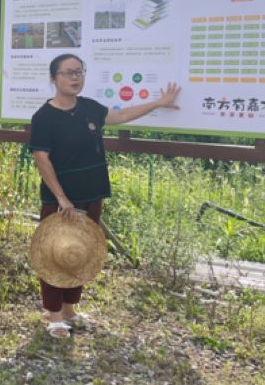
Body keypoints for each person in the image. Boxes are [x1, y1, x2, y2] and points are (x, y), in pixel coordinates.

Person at [29, 53, 180, 339]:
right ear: (53, 78)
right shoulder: (44, 117)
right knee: (53, 254)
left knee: (81, 252)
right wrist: (61, 197)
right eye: (68, 73)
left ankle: (69, 310)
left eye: (79, 71)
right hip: (61, 200)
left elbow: (121, 116)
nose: (75, 77)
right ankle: (53, 315)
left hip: (92, 193)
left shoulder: (89, 108)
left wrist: (159, 103)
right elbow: (41, 158)